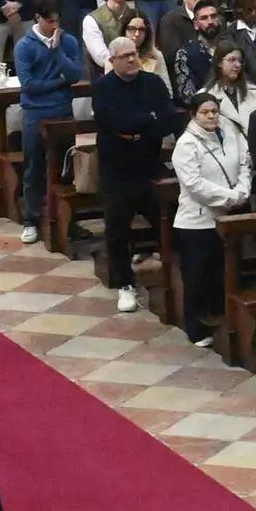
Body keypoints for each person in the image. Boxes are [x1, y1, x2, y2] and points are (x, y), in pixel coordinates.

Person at [87, 36, 178, 316]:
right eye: (124, 56)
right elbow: (112, 122)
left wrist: (139, 125)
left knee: (170, 216)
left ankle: (173, 275)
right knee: (116, 227)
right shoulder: (103, 88)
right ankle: (124, 283)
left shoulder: (153, 83)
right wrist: (145, 120)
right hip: (118, 167)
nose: (131, 59)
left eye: (134, 54)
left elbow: (167, 118)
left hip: (149, 162)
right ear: (112, 61)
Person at [168, 87, 251, 343]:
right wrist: (230, 197)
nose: (211, 117)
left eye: (215, 112)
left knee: (222, 274)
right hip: (197, 221)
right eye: (205, 113)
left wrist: (242, 189)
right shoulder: (186, 144)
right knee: (197, 277)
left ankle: (221, 320)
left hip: (229, 217)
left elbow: (245, 163)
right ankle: (196, 327)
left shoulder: (230, 135)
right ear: (193, 115)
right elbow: (194, 184)